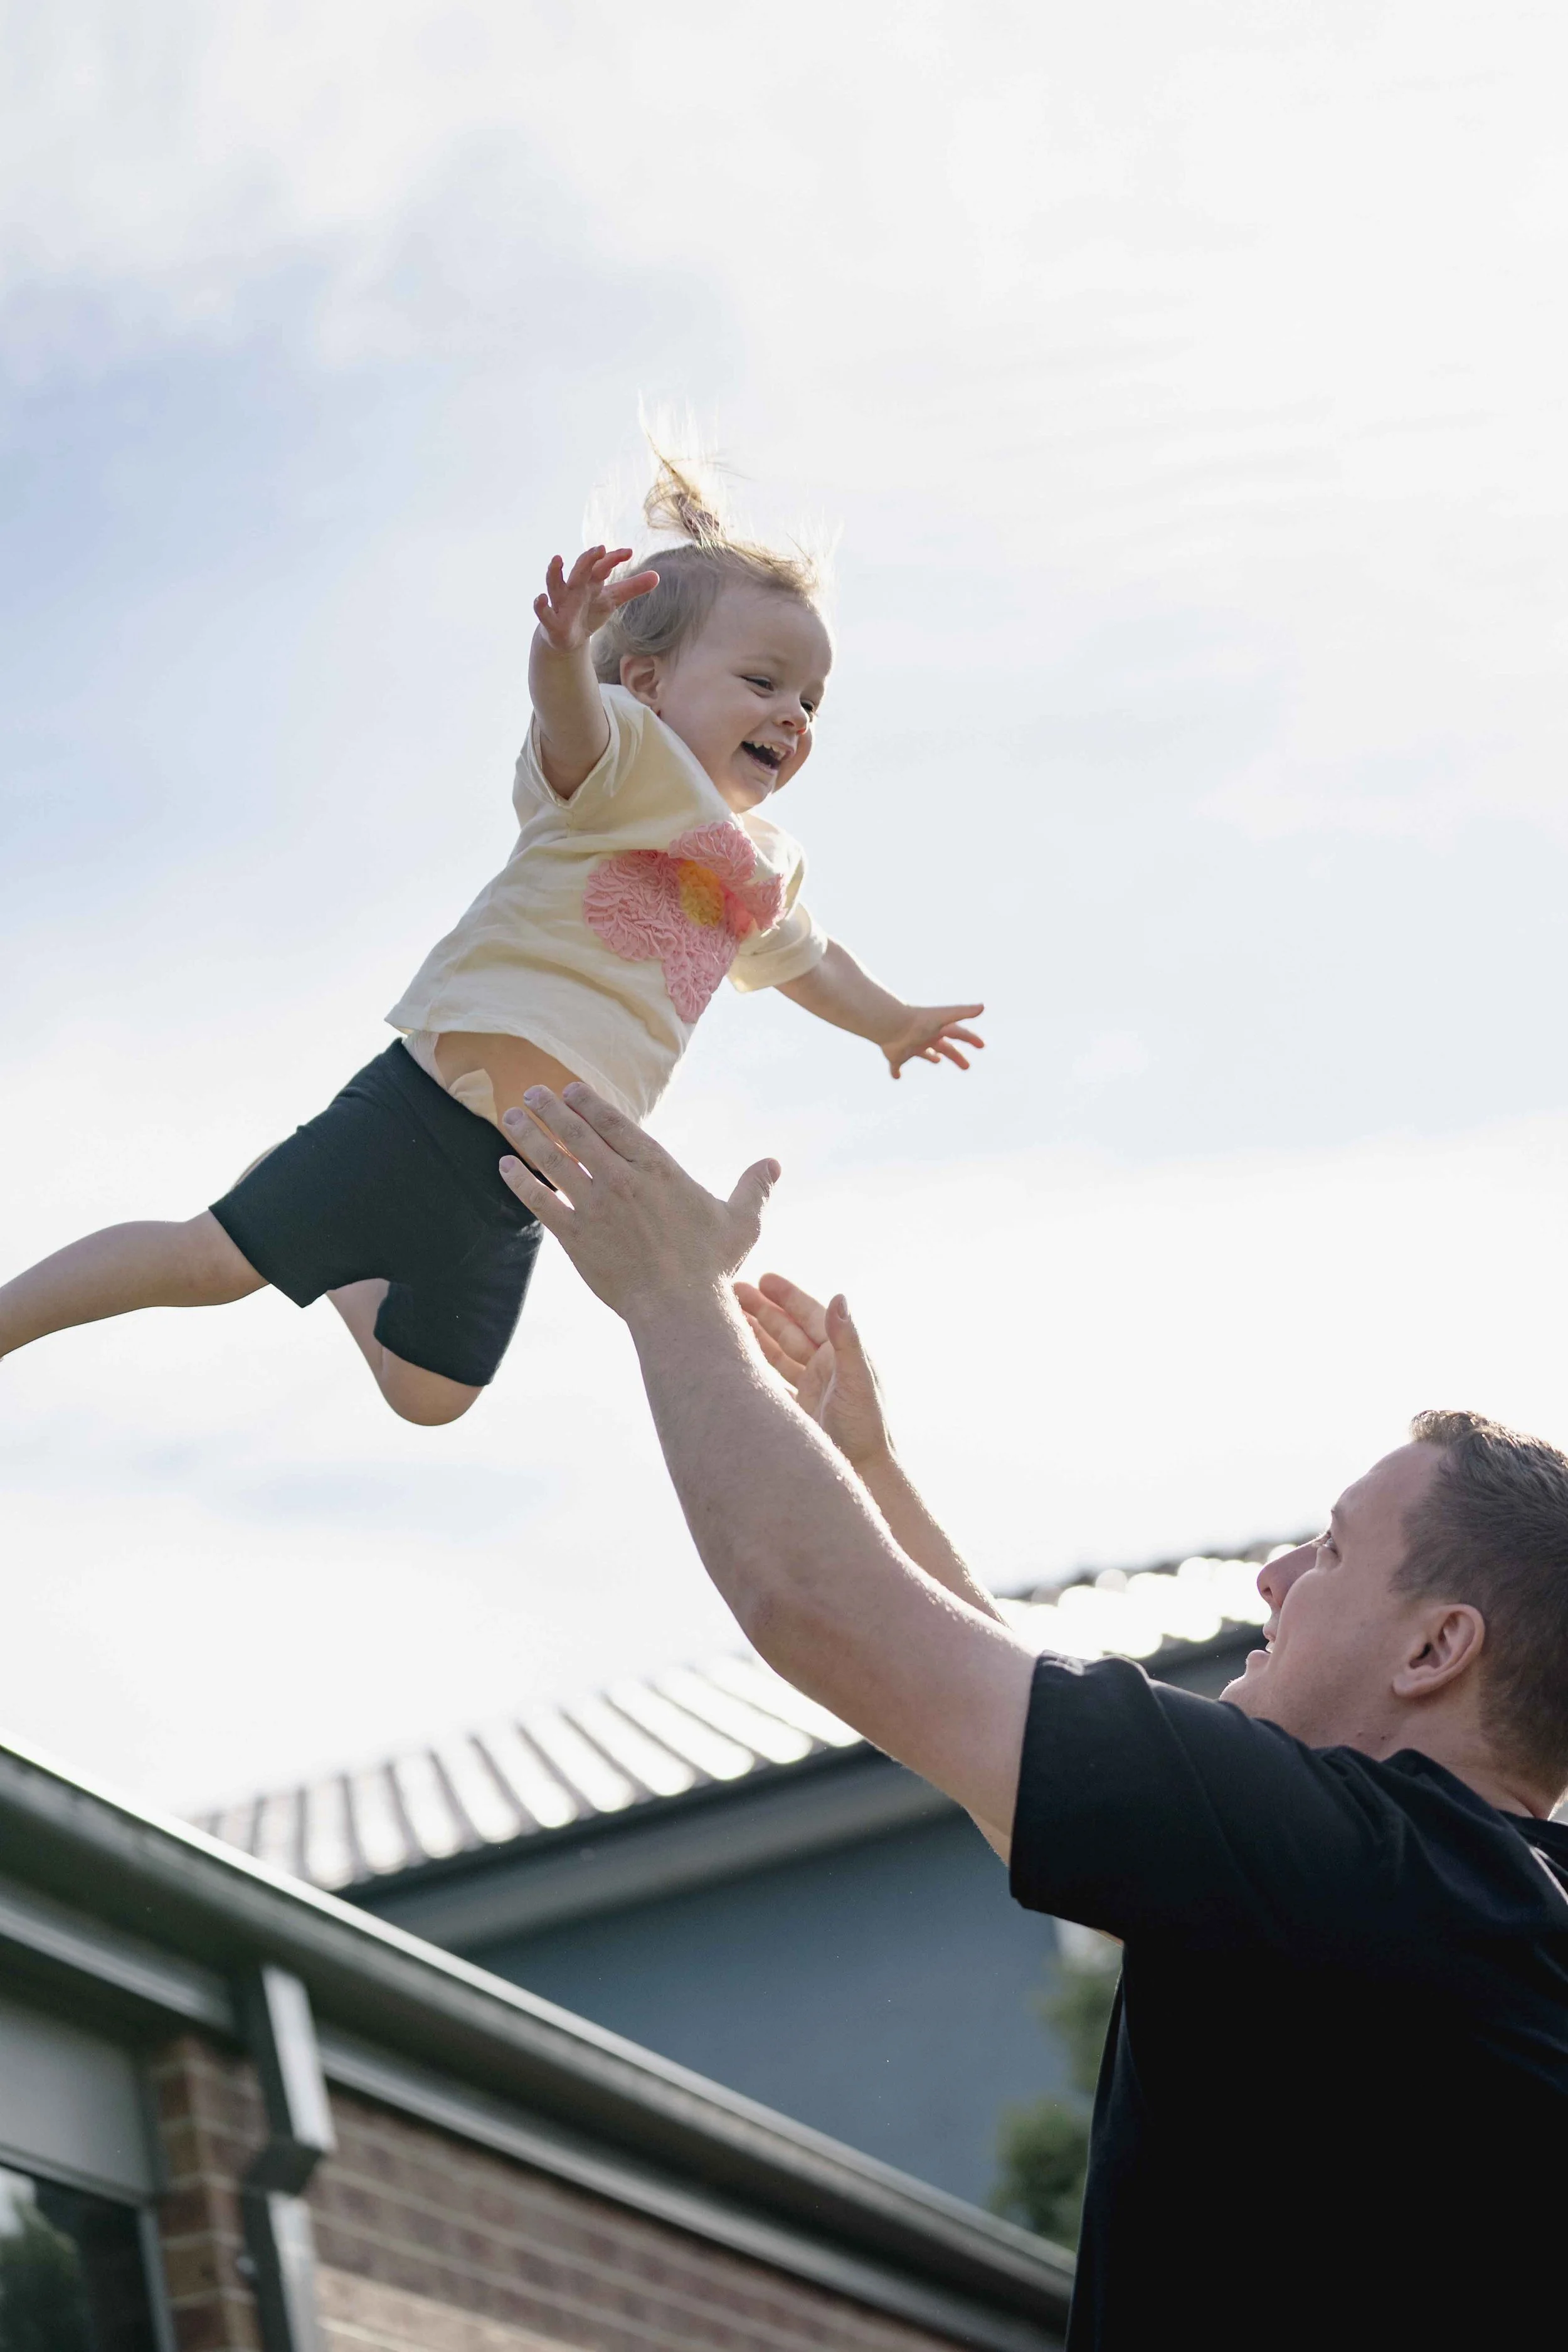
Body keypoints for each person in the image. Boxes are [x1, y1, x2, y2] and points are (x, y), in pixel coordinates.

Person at [490, 1078, 1568, 2351]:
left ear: (1436, 1647)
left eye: (1327, 1552)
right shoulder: (1438, 1911)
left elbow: (821, 1615)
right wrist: (865, 1470)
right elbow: (1010, 1745)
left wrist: (668, 1295)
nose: (1270, 1581)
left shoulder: (1377, 1877)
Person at [0, 457, 982, 1424]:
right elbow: (568, 713)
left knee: (433, 1394)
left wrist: (891, 1023)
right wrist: (561, 647)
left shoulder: (761, 867)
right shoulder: (623, 759)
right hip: (431, 1105)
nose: (792, 715)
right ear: (644, 680)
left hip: (536, 1175)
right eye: (764, 681)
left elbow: (810, 959)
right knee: (213, 1263)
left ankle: (352, 1282)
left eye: (811, 700)